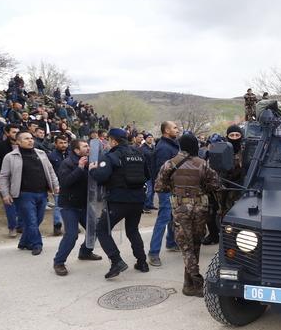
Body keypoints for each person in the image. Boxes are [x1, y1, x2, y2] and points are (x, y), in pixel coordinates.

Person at [155, 134, 221, 295]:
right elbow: (215, 184)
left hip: (180, 208)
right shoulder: (203, 164)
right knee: (195, 245)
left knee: (186, 246)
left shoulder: (170, 164)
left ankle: (194, 282)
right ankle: (192, 282)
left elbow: (159, 187)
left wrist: (175, 188)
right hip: (200, 208)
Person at [90, 128, 151, 279]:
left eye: (109, 140)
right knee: (133, 230)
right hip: (138, 200)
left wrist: (92, 169)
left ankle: (116, 261)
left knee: (102, 229)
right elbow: (147, 175)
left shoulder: (111, 156)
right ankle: (142, 262)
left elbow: (101, 177)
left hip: (118, 201)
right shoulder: (139, 154)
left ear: (114, 141)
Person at [0, 131, 60, 256]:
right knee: (31, 221)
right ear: (18, 142)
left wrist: (56, 185)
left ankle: (23, 242)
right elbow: (4, 176)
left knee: (38, 219)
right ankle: (37, 244)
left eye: (31, 138)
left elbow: (50, 170)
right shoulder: (10, 157)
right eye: (26, 139)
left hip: (42, 193)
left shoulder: (41, 153)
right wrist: (5, 194)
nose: (30, 140)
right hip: (24, 194)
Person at [52, 139, 102, 275]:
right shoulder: (67, 163)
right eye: (85, 146)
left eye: (88, 145)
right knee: (72, 234)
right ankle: (59, 262)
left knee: (95, 230)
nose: (88, 148)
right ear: (76, 150)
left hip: (86, 204)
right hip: (69, 205)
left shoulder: (91, 161)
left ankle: (85, 252)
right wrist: (80, 168)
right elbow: (65, 182)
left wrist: (96, 171)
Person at [148, 121, 181, 267]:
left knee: (173, 216)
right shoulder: (163, 148)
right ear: (167, 130)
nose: (177, 130)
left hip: (174, 188)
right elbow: (163, 173)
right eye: (174, 128)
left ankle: (171, 242)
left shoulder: (172, 145)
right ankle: (153, 253)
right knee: (163, 218)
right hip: (166, 189)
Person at [0, 124, 22, 237]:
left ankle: (21, 225)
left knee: (22, 205)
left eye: (17, 132)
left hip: (21, 180)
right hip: (6, 180)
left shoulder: (23, 145)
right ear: (7, 133)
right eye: (13, 132)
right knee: (9, 204)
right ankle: (12, 227)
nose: (16, 134)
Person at [217, 125, 245, 218]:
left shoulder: (246, 150)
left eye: (237, 135)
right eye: (232, 135)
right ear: (227, 137)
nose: (235, 138)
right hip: (225, 184)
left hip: (241, 184)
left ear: (241, 136)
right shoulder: (222, 149)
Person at [48, 135, 70, 236]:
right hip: (58, 185)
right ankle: (57, 226)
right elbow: (49, 172)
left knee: (71, 206)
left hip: (71, 183)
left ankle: (70, 225)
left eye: (65, 143)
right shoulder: (51, 156)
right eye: (61, 143)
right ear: (56, 144)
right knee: (58, 206)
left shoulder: (71, 154)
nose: (63, 145)